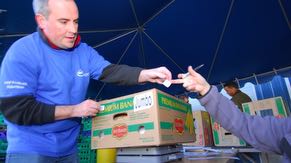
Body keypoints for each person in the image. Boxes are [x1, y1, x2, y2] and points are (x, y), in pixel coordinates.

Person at [0, 0, 172, 162]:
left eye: (75, 21)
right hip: (30, 150)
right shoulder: (23, 52)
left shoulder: (83, 52)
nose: (73, 29)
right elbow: (16, 109)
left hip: (70, 150)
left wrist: (146, 73)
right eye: (64, 22)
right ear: (41, 20)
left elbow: (111, 72)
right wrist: (75, 110)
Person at [171, 66, 291, 162]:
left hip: (244, 139)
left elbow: (240, 121)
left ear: (233, 88)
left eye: (228, 91)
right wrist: (205, 90)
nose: (228, 93)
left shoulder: (238, 98)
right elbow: (242, 123)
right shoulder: (285, 128)